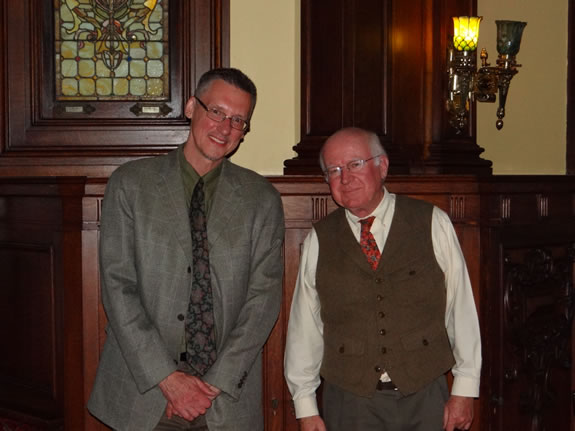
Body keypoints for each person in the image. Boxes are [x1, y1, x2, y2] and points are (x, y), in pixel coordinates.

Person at [88, 68, 285, 431]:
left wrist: (213, 386)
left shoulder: (261, 200)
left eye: (239, 120)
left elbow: (263, 300)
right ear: (192, 107)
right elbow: (118, 288)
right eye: (217, 112)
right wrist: (169, 379)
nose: (225, 128)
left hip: (223, 402)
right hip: (144, 395)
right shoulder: (131, 185)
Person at [284, 127, 481, 431]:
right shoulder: (319, 241)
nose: (345, 178)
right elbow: (304, 329)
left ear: (382, 166)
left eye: (354, 164)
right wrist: (306, 408)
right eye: (333, 171)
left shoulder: (431, 222)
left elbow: (462, 311)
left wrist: (465, 389)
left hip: (426, 397)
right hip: (350, 403)